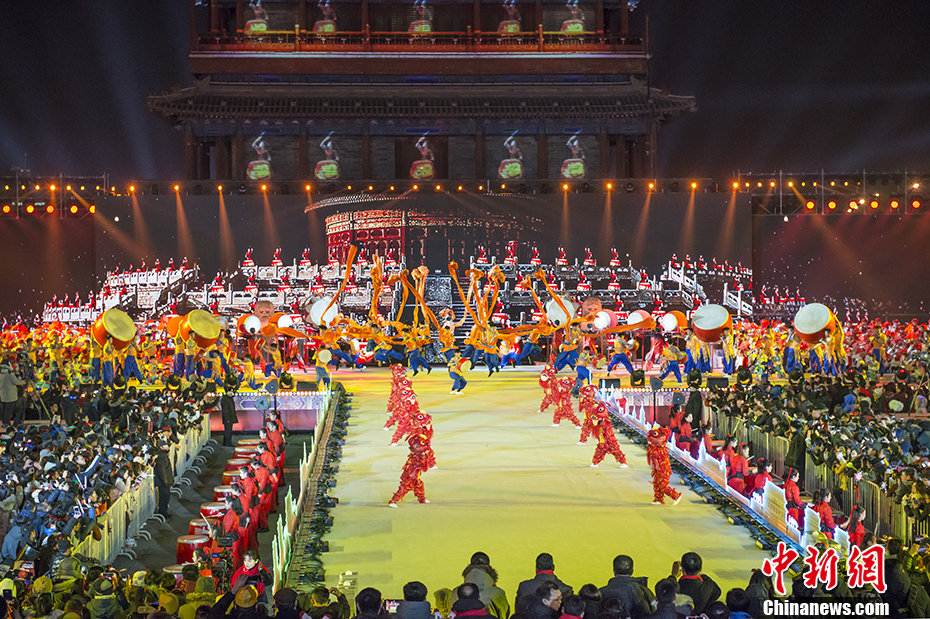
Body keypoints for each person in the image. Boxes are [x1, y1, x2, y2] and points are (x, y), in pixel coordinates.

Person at [0, 360, 24, 428]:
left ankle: (4, 423)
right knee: (9, 410)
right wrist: (24, 381)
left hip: (3, 394)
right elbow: (15, 382)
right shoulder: (9, 373)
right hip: (11, 395)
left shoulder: (1, 372)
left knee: (4, 410)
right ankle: (7, 424)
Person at [153, 441, 174, 518]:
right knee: (164, 497)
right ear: (161, 447)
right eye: (165, 445)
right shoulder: (161, 457)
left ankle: (164, 512)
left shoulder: (163, 455)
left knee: (165, 497)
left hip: (165, 481)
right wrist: (165, 482)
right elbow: (162, 471)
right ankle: (163, 513)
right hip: (164, 482)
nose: (167, 446)